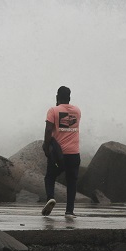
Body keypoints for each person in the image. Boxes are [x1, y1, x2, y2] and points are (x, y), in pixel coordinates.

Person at [41, 86, 81, 216]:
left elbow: (48, 130)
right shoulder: (77, 111)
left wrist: (46, 148)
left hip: (58, 155)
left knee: (50, 177)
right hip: (74, 154)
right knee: (72, 182)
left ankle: (50, 198)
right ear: (69, 98)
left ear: (57, 97)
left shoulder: (53, 110)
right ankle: (69, 210)